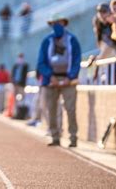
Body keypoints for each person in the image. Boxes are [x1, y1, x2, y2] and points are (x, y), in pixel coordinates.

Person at [37, 14, 81, 148]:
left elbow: (76, 60)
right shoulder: (46, 41)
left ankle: (73, 137)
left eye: (59, 22)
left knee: (70, 109)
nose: (56, 25)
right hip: (51, 80)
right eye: (54, 23)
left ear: (64, 23)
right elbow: (41, 62)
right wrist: (50, 76)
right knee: (51, 109)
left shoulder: (72, 40)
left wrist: (70, 76)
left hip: (68, 80)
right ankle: (55, 136)